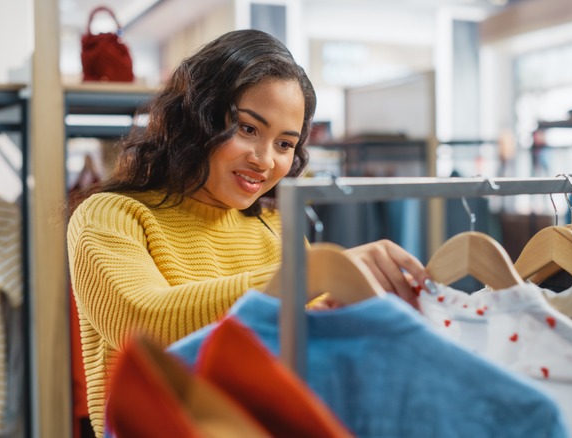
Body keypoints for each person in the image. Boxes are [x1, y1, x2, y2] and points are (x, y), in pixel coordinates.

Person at [66, 28, 429, 437]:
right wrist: (309, 274)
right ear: (197, 116)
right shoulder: (110, 215)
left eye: (285, 144)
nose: (265, 160)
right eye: (248, 129)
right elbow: (143, 323)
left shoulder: (275, 227)